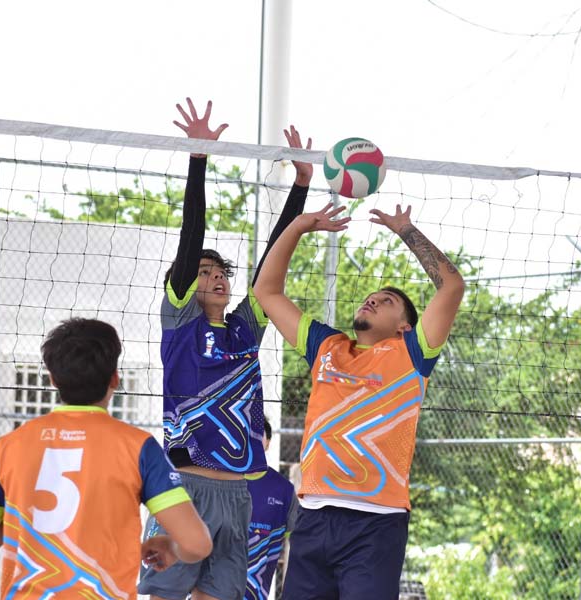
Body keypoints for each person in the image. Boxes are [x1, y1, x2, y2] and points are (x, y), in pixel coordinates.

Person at [138, 98, 313, 600]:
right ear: (184, 283)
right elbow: (190, 235)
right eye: (205, 272)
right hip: (185, 489)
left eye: (221, 273)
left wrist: (301, 186)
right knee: (165, 595)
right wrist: (199, 159)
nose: (216, 278)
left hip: (238, 494)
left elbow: (273, 261)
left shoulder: (245, 327)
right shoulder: (180, 323)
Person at [253, 203, 465, 600]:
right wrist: (297, 226)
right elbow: (266, 291)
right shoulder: (327, 346)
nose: (373, 300)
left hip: (376, 524)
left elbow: (451, 286)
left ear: (404, 326)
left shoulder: (413, 353)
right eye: (371, 297)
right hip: (314, 516)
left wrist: (406, 231)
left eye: (386, 301)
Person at [0, 318, 212, 599]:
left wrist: (26, 515)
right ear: (115, 378)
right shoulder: (138, 447)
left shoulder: (9, 447)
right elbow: (196, 544)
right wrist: (171, 547)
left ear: (53, 380)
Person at [244, 421, 297, 600]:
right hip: (215, 588)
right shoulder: (221, 482)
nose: (253, 440)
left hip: (256, 592)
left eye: (259, 436)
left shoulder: (284, 490)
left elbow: (296, 546)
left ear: (268, 443)